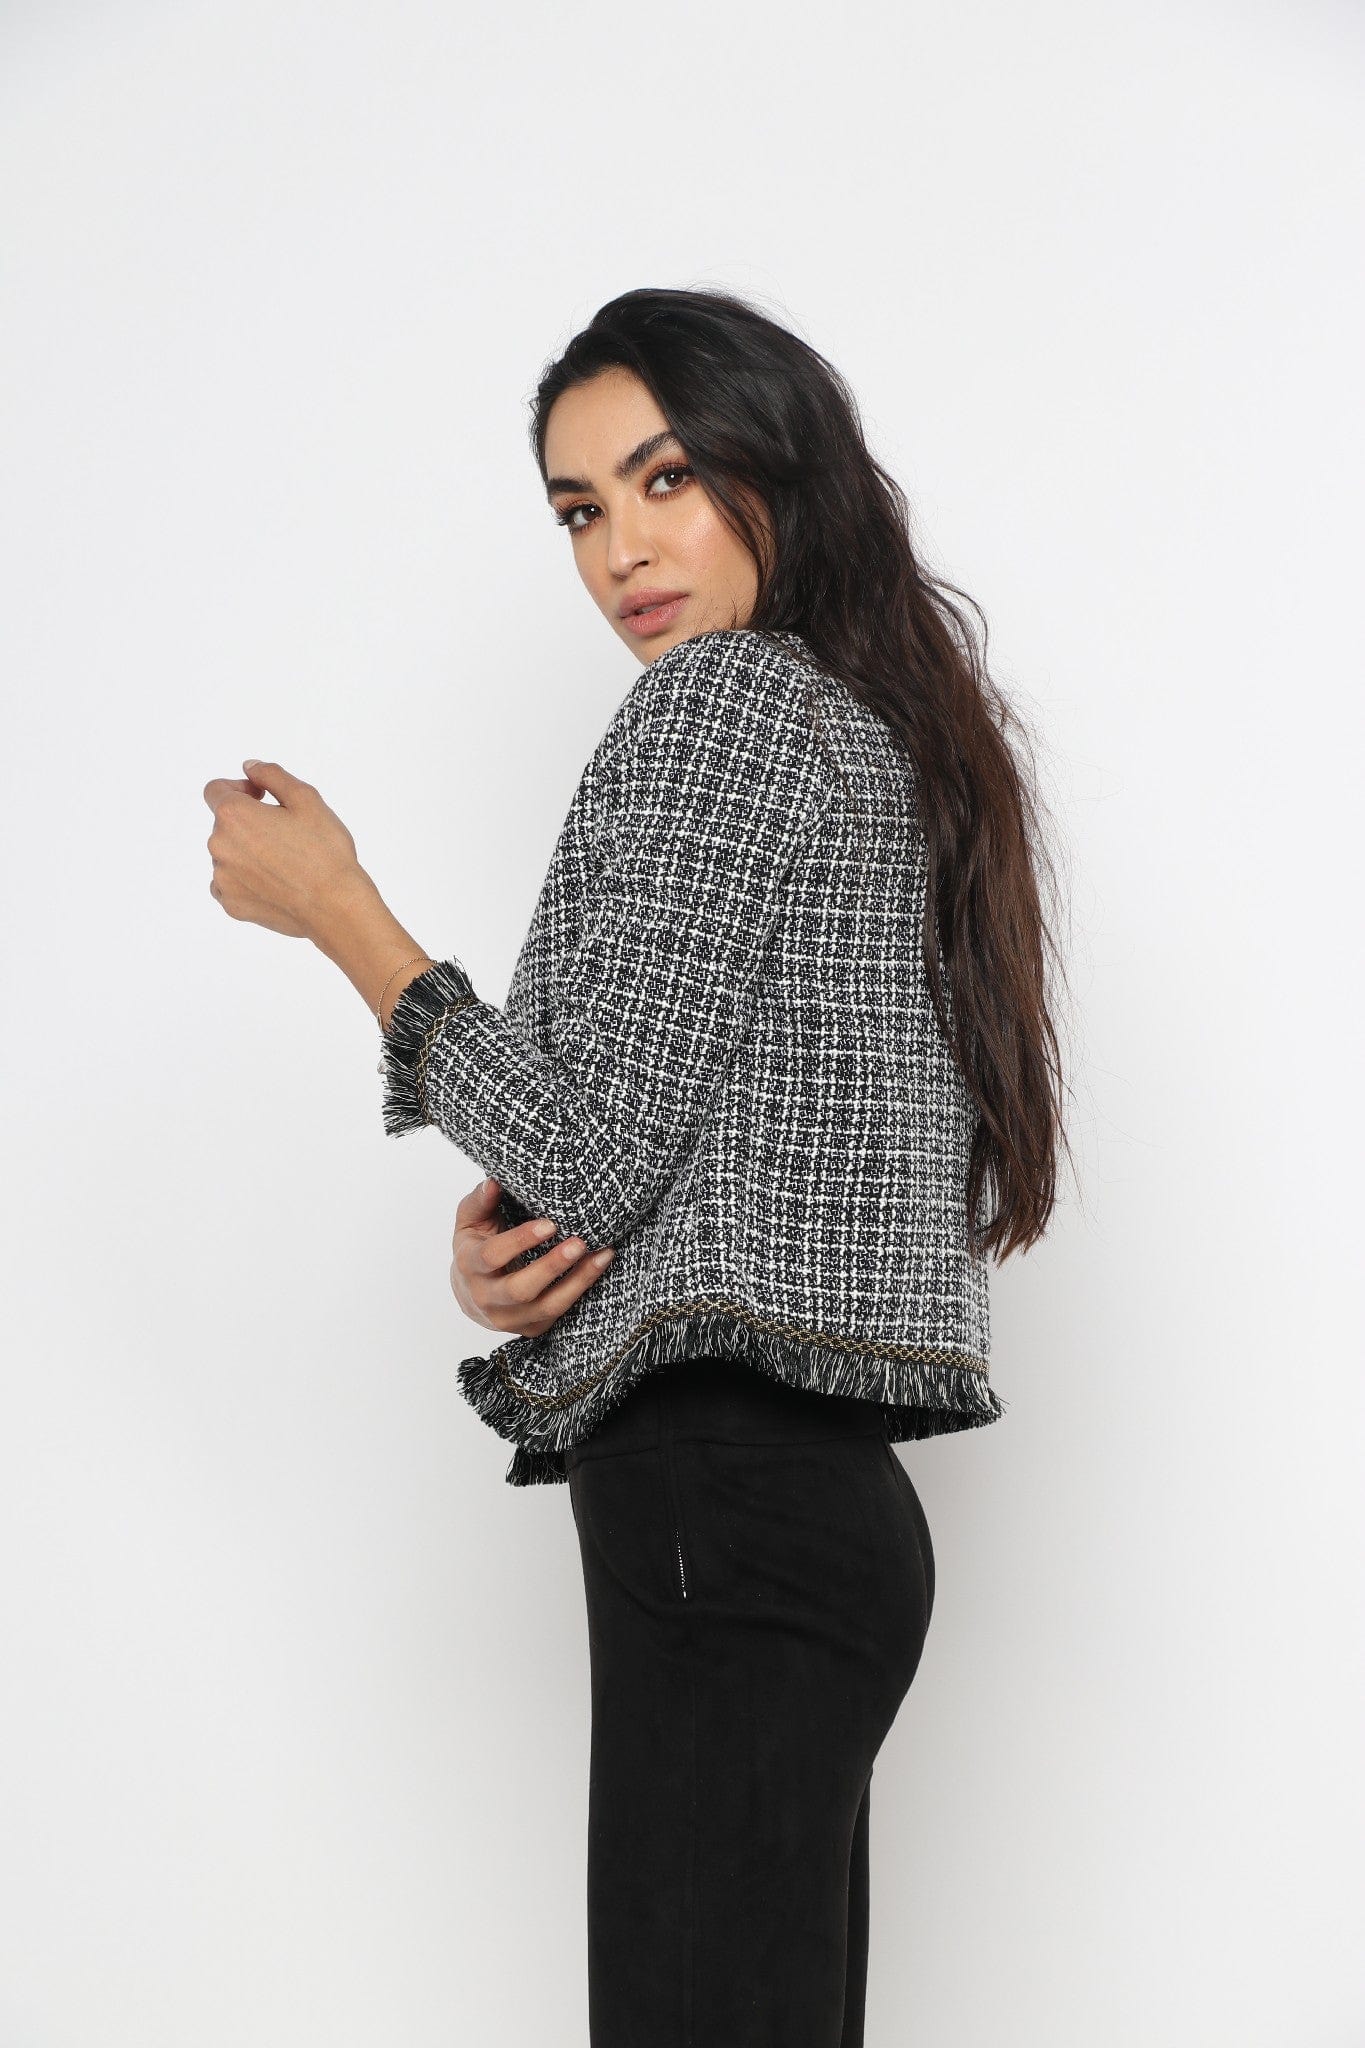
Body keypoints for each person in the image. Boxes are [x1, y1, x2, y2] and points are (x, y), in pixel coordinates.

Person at [203, 285, 1071, 2047]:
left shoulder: (729, 706)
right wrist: (508, 1248)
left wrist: (339, 913)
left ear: (779, 469)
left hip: (724, 1501)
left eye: (666, 479)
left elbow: (594, 1146)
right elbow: (668, 1126)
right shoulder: (863, 727)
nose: (622, 550)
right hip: (805, 1510)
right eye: (579, 509)